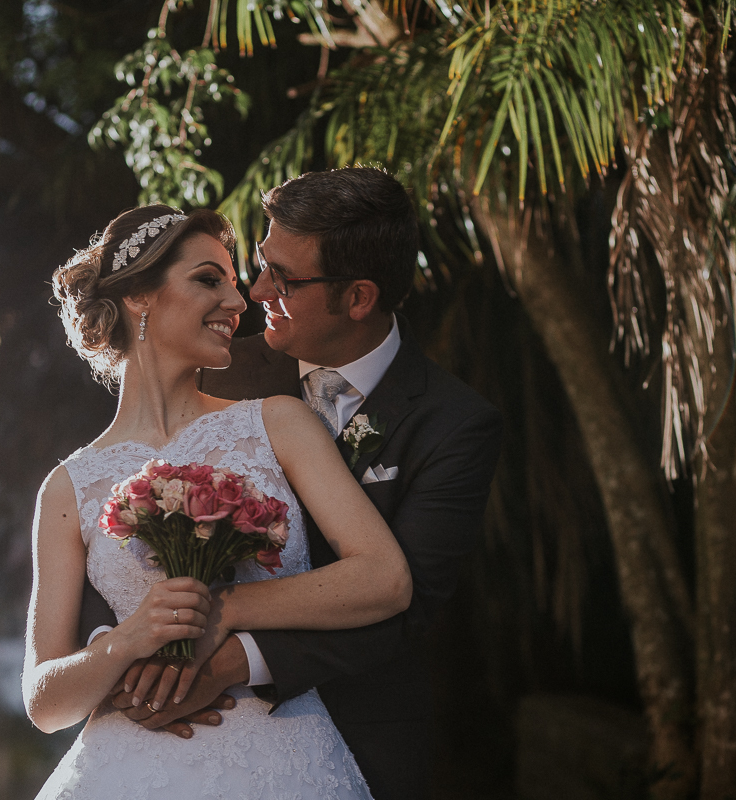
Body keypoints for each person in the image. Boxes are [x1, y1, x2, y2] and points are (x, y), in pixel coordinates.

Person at [81, 168, 504, 800]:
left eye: (285, 278)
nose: (253, 291)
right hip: (166, 728)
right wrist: (123, 655)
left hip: (352, 736)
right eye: (260, 263)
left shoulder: (454, 424)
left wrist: (224, 657)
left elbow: (405, 603)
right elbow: (116, 517)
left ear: (358, 298)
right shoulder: (219, 370)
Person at [23, 204, 415, 799]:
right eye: (209, 279)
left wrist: (225, 606)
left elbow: (384, 578)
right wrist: (128, 639)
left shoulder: (279, 424)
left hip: (281, 764)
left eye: (235, 284)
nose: (239, 303)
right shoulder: (68, 486)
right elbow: (45, 702)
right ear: (138, 298)